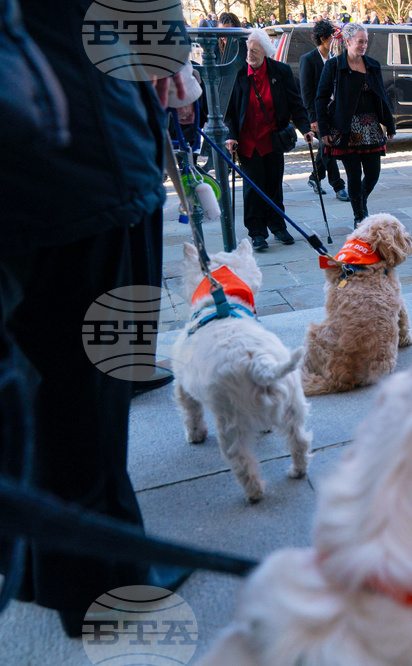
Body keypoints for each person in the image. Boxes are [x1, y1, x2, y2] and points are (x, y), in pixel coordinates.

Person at [1, 0, 194, 638]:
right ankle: (104, 582)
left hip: (30, 152)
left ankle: (46, 561)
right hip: (80, 153)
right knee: (90, 388)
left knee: (39, 378)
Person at [225, 29, 313, 252]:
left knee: (274, 184)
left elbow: (295, 104)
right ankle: (256, 233)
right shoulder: (238, 74)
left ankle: (278, 226)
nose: (250, 54)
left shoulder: (280, 72)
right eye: (248, 49)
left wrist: (306, 129)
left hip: (272, 139)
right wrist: (231, 135)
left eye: (255, 50)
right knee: (253, 188)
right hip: (247, 142)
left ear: (265, 52)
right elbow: (230, 111)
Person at [316, 22, 396, 226]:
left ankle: (361, 202)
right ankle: (359, 215)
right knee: (353, 175)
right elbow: (321, 98)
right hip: (345, 128)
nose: (364, 45)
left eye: (366, 42)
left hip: (370, 127)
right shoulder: (333, 66)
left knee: (373, 174)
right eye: (360, 41)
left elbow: (382, 97)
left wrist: (390, 123)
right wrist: (323, 130)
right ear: (349, 41)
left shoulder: (373, 64)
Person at [299, 20, 350, 201]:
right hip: (318, 113)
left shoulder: (336, 57)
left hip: (334, 112)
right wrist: (312, 118)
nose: (335, 42)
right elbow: (306, 91)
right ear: (323, 39)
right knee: (327, 146)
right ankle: (338, 186)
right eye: (331, 38)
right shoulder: (308, 59)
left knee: (325, 146)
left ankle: (315, 177)